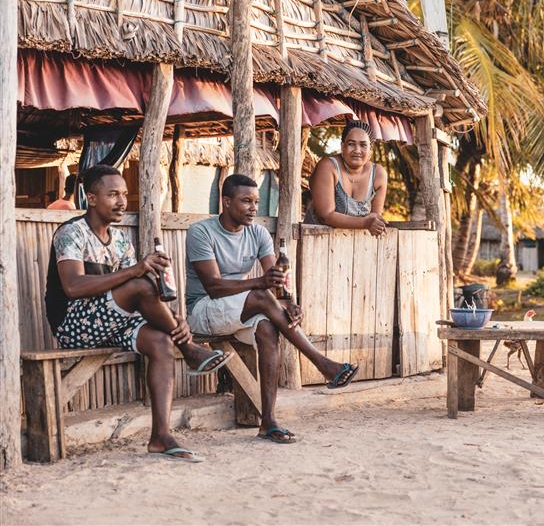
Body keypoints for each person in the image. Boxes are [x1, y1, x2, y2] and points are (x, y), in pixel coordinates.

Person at [45, 165, 232, 463]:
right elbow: (73, 286)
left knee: (159, 340)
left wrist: (172, 318)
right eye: (112, 195)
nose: (121, 201)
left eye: (123, 194)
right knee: (140, 284)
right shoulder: (72, 232)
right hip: (74, 325)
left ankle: (161, 436)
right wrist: (136, 270)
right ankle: (190, 350)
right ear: (91, 198)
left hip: (112, 321)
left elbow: (139, 297)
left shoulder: (120, 240)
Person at [186, 174, 359, 444]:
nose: (254, 208)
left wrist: (291, 306)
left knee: (268, 327)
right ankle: (322, 363)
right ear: (227, 201)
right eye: (246, 201)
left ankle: (268, 421)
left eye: (256, 202)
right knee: (261, 297)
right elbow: (213, 287)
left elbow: (276, 283)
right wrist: (260, 285)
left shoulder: (258, 233)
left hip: (239, 309)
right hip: (203, 311)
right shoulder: (201, 232)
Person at [304, 119, 388, 237]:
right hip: (316, 241)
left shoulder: (378, 175)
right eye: (351, 144)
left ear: (370, 150)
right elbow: (325, 216)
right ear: (342, 146)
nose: (357, 150)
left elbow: (375, 219)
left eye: (363, 145)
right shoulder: (328, 167)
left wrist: (372, 223)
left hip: (353, 246)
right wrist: (365, 222)